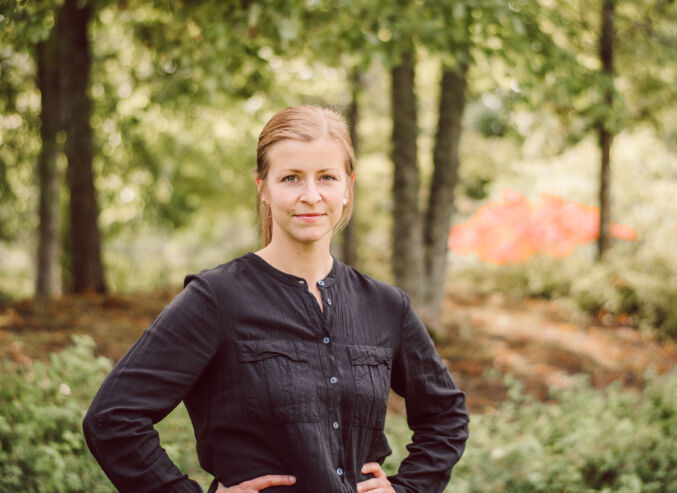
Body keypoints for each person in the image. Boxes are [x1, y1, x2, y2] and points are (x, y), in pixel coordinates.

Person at [83, 105, 469, 493]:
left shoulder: (386, 306)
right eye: (291, 178)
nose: (311, 195)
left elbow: (446, 416)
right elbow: (113, 418)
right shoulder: (217, 299)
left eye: (327, 178)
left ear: (348, 187)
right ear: (263, 187)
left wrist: (408, 489)